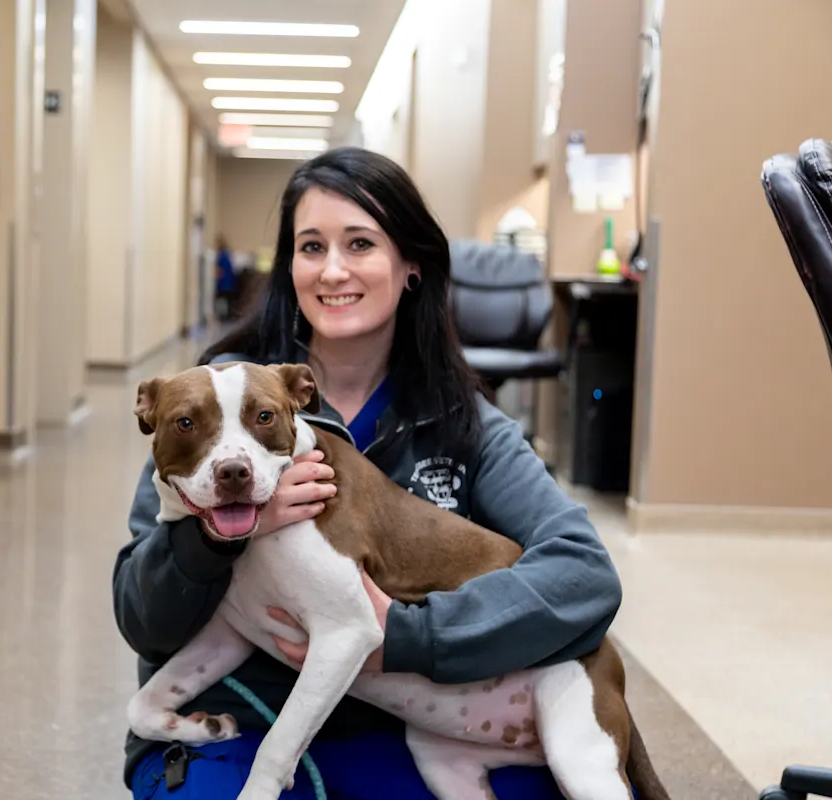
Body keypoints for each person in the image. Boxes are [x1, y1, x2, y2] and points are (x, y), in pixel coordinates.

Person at [114, 147, 624, 799]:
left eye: (359, 244)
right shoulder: (217, 402)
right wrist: (220, 531)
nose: (332, 270)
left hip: (411, 719)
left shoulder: (463, 421)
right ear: (288, 266)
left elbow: (584, 575)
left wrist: (408, 637)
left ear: (410, 265)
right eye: (310, 246)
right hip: (244, 720)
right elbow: (141, 615)